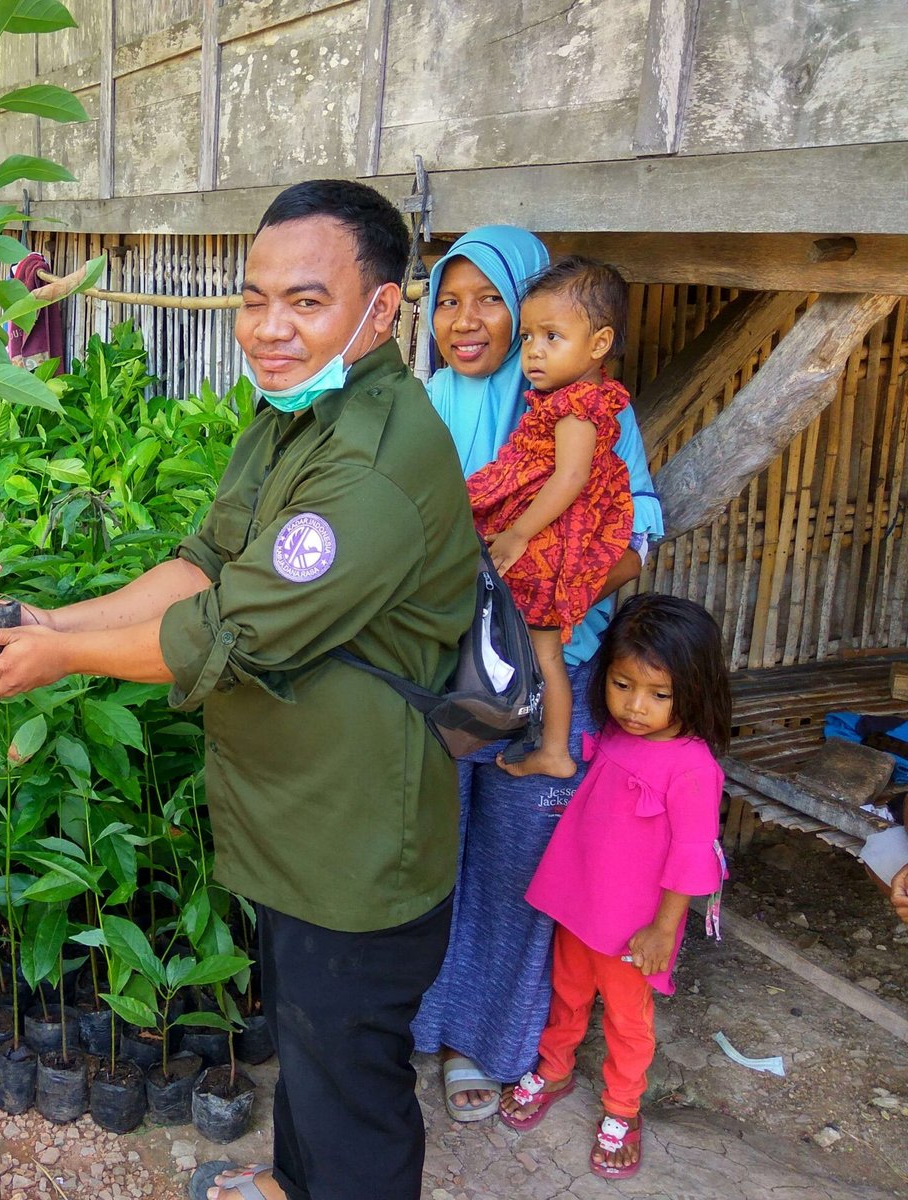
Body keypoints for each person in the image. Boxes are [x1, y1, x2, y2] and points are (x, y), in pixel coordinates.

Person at [0, 179, 480, 1200]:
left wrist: (62, 660)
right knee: (308, 1049)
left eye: (306, 301)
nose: (269, 329)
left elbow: (225, 631)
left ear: (380, 310)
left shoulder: (366, 467)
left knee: (351, 1081)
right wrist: (54, 621)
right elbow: (202, 565)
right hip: (293, 816)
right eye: (253, 298)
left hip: (355, 841)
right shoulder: (296, 415)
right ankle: (291, 1182)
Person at [410, 226, 666, 1124]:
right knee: (431, 851)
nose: (466, 320)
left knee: (520, 864)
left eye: (490, 301)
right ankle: (420, 1023)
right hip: (443, 666)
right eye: (449, 300)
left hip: (552, 660)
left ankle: (486, 1043)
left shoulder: (587, 406)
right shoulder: (424, 403)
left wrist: (549, 588)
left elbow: (640, 530)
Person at [500, 593, 731, 1181]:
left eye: (659, 695)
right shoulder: (617, 735)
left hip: (634, 928)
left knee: (629, 1019)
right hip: (579, 903)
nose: (635, 707)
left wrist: (663, 928)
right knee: (568, 991)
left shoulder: (694, 768)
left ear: (696, 691)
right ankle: (555, 1066)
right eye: (623, 685)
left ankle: (623, 1109)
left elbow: (690, 856)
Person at [467, 256, 634, 779]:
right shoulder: (567, 398)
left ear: (599, 344)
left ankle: (555, 750)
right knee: (537, 651)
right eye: (529, 337)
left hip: (547, 549)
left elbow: (570, 479)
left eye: (552, 337)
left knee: (544, 653)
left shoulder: (577, 406)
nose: (534, 351)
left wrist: (517, 532)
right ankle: (547, 743)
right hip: (549, 540)